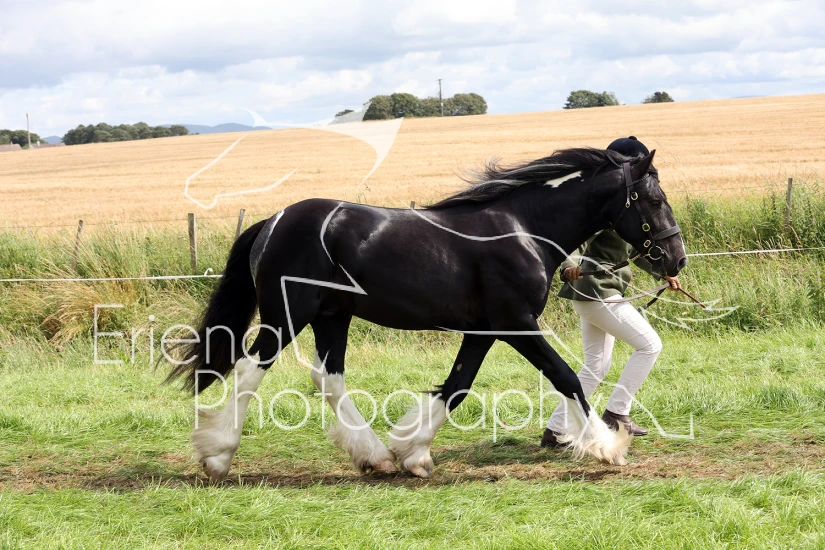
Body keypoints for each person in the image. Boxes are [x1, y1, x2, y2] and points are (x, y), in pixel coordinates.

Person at [542, 136, 682, 447]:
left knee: (595, 366)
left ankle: (556, 431)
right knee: (650, 345)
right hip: (597, 292)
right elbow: (572, 238)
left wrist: (664, 272)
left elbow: (634, 250)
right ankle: (617, 413)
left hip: (595, 295)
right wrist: (571, 263)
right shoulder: (604, 204)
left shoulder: (625, 205)